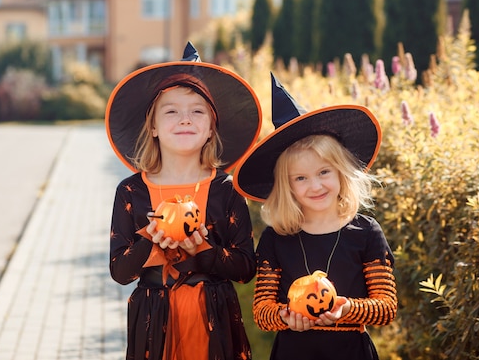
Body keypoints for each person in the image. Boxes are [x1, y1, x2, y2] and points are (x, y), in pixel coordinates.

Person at [105, 42, 262, 360]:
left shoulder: (226, 190)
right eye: (172, 111)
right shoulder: (131, 193)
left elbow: (246, 269)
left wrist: (205, 252)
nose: (185, 119)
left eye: (197, 111)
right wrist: (149, 240)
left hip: (214, 323)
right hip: (153, 323)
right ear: (153, 127)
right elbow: (120, 272)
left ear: (210, 127)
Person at [233, 74, 397, 360]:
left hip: (351, 352)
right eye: (301, 178)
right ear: (287, 186)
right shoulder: (276, 238)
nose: (315, 185)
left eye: (324, 172)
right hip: (294, 352)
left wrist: (347, 309)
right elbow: (262, 311)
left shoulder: (366, 232)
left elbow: (386, 307)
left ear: (340, 172)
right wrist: (287, 315)